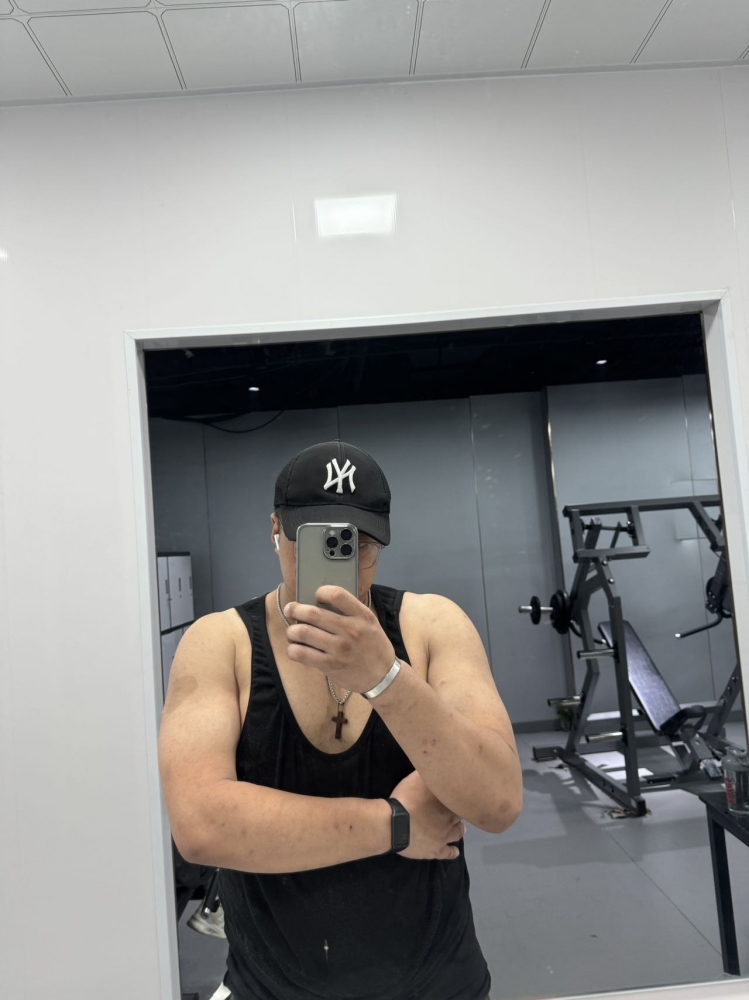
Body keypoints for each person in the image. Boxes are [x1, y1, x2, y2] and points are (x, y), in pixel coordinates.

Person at [159, 440, 523, 1000]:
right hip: (271, 989)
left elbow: (497, 801)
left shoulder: (432, 626)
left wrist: (385, 677)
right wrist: (396, 825)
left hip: (439, 985)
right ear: (276, 530)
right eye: (317, 541)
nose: (342, 562)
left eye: (360, 544)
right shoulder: (220, 644)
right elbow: (201, 826)